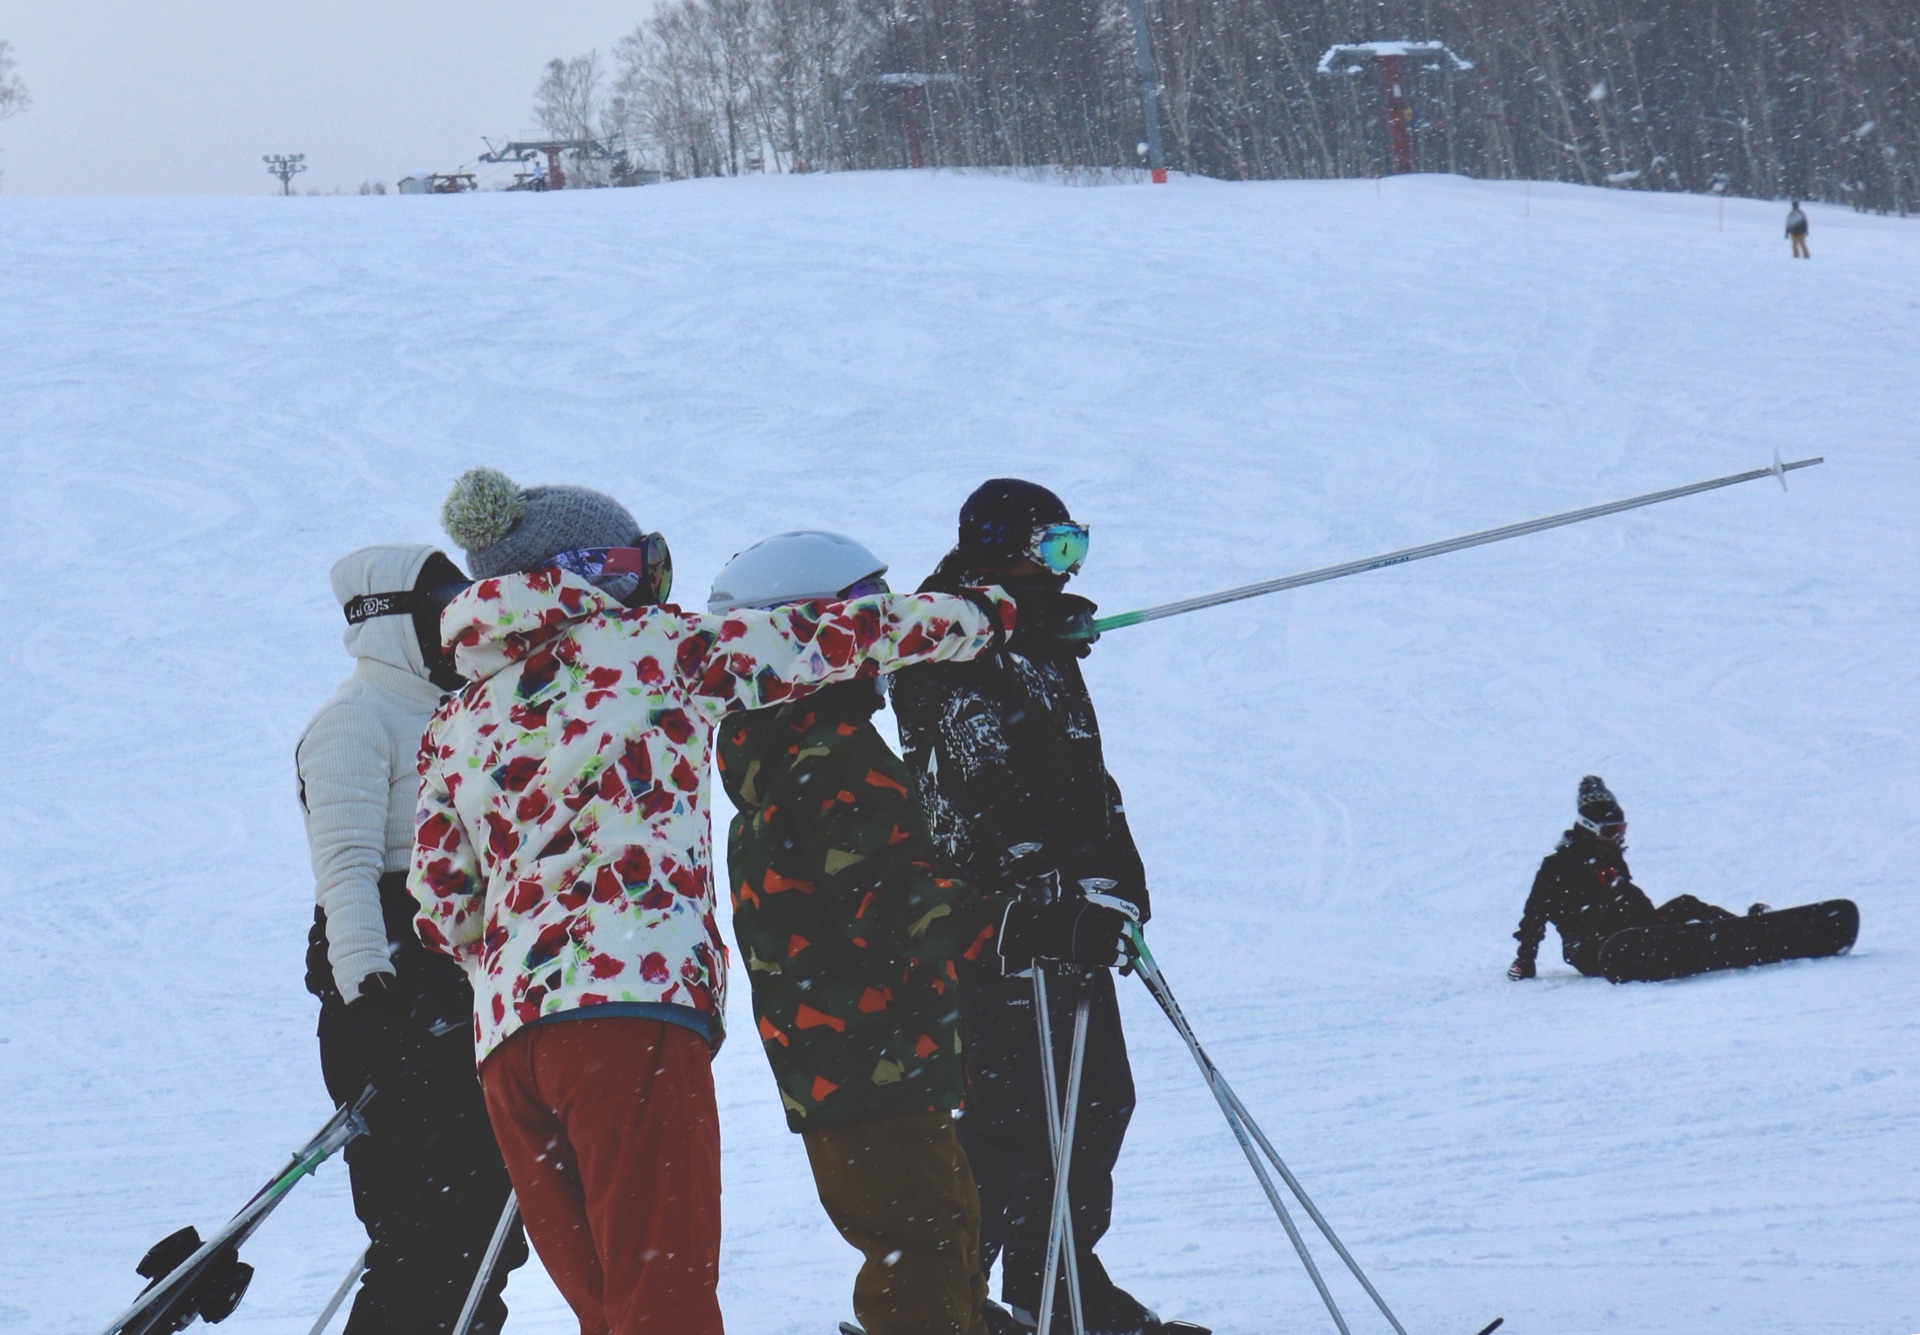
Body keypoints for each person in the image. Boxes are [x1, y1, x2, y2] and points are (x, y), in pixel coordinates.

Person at [409, 469, 1017, 1335]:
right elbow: (831, 637)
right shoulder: (654, 650)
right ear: (599, 570)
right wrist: (984, 617)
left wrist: (519, 943)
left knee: (612, 1311)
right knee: (665, 1302)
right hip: (626, 1011)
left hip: (509, 1048)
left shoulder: (455, 719)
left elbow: (440, 907)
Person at [892, 480, 1164, 1335]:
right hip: (1001, 926)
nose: (1067, 569)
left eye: (1075, 549)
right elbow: (977, 792)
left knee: (1097, 1098)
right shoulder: (948, 641)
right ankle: (953, 1300)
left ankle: (1058, 1274)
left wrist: (1116, 876)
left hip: (1070, 911)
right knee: (1009, 1117)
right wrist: (1039, 889)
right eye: (1053, 550)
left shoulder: (1032, 638)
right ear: (997, 547)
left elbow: (1082, 773)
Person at [297, 542, 525, 1335]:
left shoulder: (461, 710)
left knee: (488, 1236)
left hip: (464, 994)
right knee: (425, 1237)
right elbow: (348, 869)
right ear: (388, 621)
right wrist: (368, 993)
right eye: (439, 608)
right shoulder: (352, 720)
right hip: (391, 1002)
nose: (459, 621)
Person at [1507, 775, 1756, 980]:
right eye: (1610, 831)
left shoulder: (1610, 855)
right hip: (1595, 949)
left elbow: (1630, 902)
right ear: (1588, 828)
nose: (1618, 836)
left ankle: (1746, 932)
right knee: (1628, 922)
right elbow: (1534, 916)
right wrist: (1525, 959)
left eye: (1621, 829)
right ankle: (1694, 948)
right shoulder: (1558, 867)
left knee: (1686, 904)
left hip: (1636, 933)